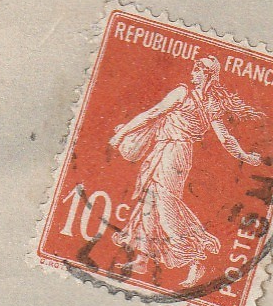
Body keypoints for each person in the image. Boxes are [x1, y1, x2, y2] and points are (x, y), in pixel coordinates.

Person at [109, 55, 264, 291]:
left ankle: (195, 260)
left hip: (173, 153)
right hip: (169, 151)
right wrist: (245, 156)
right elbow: (225, 137)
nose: (192, 74)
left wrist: (121, 135)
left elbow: (153, 114)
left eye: (197, 71)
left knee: (165, 207)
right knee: (148, 203)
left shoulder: (185, 94)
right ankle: (141, 259)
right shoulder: (208, 102)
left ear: (207, 75)